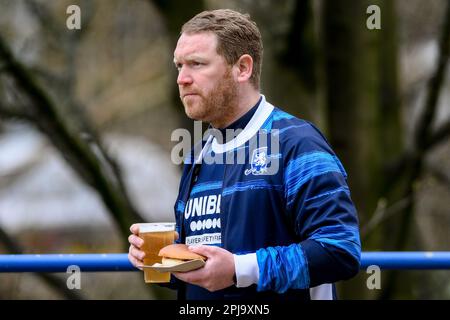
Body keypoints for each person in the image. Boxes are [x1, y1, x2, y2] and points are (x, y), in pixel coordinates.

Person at [128, 8, 361, 300]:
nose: (182, 79)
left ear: (242, 69)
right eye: (179, 66)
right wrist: (165, 263)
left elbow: (340, 250)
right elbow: (210, 272)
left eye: (197, 64)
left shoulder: (297, 143)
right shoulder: (198, 156)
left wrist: (240, 269)